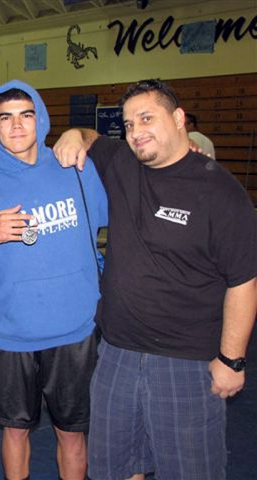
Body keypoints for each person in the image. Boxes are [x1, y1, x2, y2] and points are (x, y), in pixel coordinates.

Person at [53, 79, 257, 480]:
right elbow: (90, 138)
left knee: (190, 471)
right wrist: (72, 133)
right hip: (116, 355)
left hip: (185, 362)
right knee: (113, 468)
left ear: (179, 119)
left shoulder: (221, 192)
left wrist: (232, 359)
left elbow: (244, 281)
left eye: (147, 118)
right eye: (128, 124)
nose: (136, 131)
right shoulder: (123, 162)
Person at [0, 81, 108, 480]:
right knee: (15, 431)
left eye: (26, 115)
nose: (16, 126)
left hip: (74, 333)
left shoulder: (77, 169)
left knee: (71, 435)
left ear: (41, 118)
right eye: (6, 118)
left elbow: (119, 208)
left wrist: (83, 134)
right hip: (13, 336)